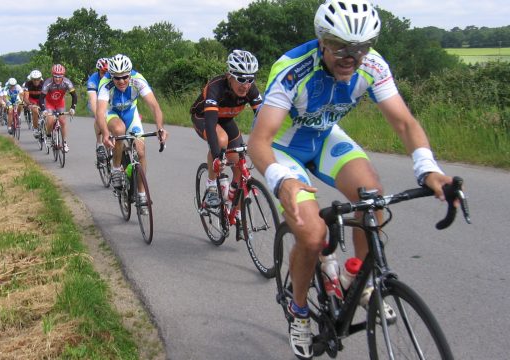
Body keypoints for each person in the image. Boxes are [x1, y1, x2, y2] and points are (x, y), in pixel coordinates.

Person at [247, 0, 456, 358]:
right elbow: (259, 141)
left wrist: (428, 167)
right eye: (341, 45)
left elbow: (404, 123)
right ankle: (299, 313)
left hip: (326, 137)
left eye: (360, 47)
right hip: (285, 147)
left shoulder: (372, 65)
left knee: (372, 195)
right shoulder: (293, 69)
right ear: (322, 40)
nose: (351, 56)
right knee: (312, 235)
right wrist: (281, 180)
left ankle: (356, 279)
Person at [190, 50, 263, 222]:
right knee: (221, 140)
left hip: (226, 119)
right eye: (241, 79)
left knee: (238, 161)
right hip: (204, 117)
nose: (246, 85)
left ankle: (234, 207)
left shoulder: (250, 90)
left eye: (250, 79)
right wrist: (217, 156)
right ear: (229, 75)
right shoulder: (216, 87)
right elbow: (210, 122)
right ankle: (212, 188)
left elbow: (262, 118)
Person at [96, 54, 168, 206]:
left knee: (141, 151)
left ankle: (141, 193)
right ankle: (116, 168)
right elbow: (100, 112)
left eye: (125, 77)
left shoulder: (138, 80)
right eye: (117, 78)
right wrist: (106, 134)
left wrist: (160, 128)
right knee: (119, 130)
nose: (121, 81)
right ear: (111, 76)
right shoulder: (105, 83)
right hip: (112, 113)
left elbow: (154, 106)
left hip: (131, 114)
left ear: (130, 73)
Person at [39, 64, 78, 153]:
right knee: (50, 120)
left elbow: (74, 96)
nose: (57, 78)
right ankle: (48, 136)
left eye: (60, 76)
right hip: (49, 103)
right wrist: (43, 110)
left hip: (60, 103)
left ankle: (64, 143)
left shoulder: (67, 82)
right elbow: (41, 98)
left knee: (63, 121)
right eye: (55, 76)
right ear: (52, 75)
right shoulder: (48, 82)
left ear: (63, 76)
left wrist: (73, 108)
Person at [86, 57, 109, 162]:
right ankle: (99, 144)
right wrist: (98, 116)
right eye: (103, 72)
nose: (105, 74)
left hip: (108, 102)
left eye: (107, 72)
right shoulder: (93, 79)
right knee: (99, 117)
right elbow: (93, 99)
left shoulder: (112, 77)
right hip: (96, 101)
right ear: (98, 70)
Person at [23, 70, 44, 138]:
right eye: (34, 79)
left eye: (38, 79)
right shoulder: (28, 84)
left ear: (40, 78)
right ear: (31, 79)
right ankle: (35, 129)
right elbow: (26, 97)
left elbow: (48, 95)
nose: (36, 81)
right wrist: (29, 104)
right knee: (35, 110)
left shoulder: (43, 83)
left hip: (41, 99)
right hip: (32, 100)